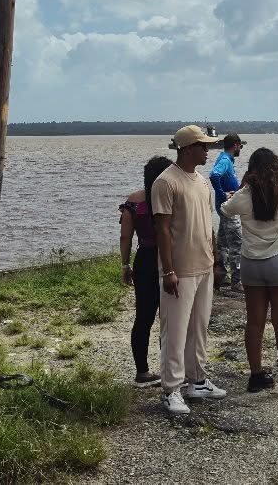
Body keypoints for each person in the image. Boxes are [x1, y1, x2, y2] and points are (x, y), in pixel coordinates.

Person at [220, 148, 278, 396]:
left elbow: (225, 210)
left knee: (254, 323)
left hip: (251, 264)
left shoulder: (244, 196)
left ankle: (257, 376)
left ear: (251, 170)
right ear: (275, 169)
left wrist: (243, 184)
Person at [152, 124, 227, 415]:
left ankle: (197, 381)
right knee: (175, 331)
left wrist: (216, 261)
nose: (207, 150)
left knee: (199, 328)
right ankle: (171, 389)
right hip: (179, 270)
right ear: (185, 148)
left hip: (204, 266)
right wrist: (168, 271)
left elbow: (209, 226)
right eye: (202, 146)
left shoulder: (202, 181)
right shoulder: (166, 181)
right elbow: (163, 230)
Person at [119, 155, 174, 387]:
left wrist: (125, 264)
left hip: (144, 260)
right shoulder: (172, 199)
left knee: (143, 317)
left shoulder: (134, 201)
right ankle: (169, 369)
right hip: (170, 260)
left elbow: (125, 236)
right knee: (169, 318)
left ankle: (142, 372)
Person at [210, 133, 246, 295]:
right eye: (240, 146)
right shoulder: (225, 160)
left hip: (224, 209)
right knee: (237, 246)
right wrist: (222, 192)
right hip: (228, 209)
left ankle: (222, 278)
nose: (240, 149)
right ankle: (236, 282)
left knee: (223, 244)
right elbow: (214, 175)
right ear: (236, 145)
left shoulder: (224, 159)